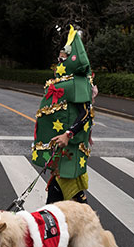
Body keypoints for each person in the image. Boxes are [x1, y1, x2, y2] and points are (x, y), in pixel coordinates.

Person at [32, 25, 96, 204]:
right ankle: (61, 223)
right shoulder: (67, 81)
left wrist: (69, 134)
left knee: (68, 192)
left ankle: (78, 226)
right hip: (62, 148)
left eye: (63, 58)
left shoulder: (79, 82)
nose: (60, 62)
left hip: (71, 147)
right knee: (62, 193)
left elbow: (86, 114)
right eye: (59, 59)